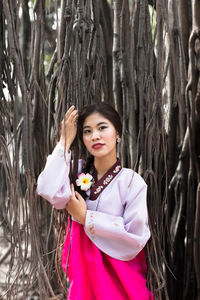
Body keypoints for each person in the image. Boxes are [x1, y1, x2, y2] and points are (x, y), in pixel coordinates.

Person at [37, 102, 154, 300]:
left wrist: (86, 217)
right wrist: (65, 141)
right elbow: (47, 189)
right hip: (84, 282)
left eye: (102, 127)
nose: (95, 136)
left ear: (117, 132)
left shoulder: (131, 182)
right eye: (87, 131)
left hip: (122, 283)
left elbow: (136, 237)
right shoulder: (76, 172)